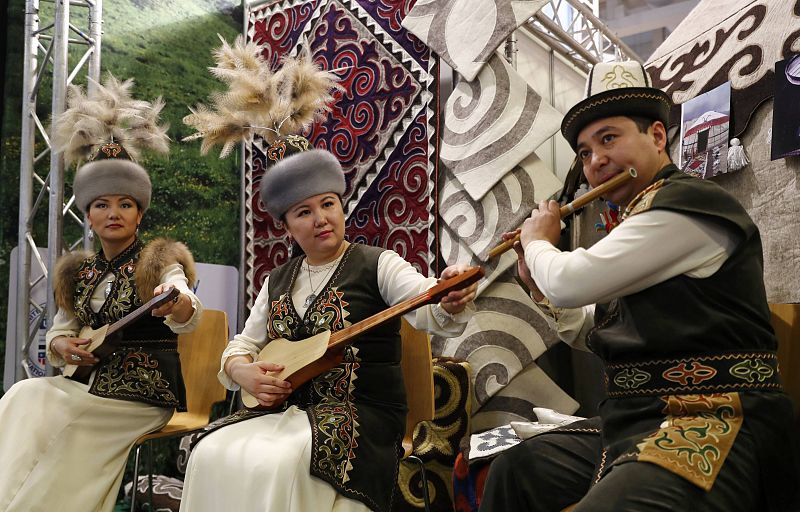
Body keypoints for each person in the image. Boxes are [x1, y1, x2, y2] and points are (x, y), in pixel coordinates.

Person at [479, 61, 799, 511]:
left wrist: (536, 242)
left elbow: (570, 283)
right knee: (518, 468)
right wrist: (538, 287)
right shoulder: (637, 222)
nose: (596, 162)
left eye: (608, 139)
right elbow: (603, 326)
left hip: (715, 415)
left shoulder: (688, 205)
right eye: (585, 153)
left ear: (656, 136)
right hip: (639, 419)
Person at [179, 135, 478, 512]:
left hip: (361, 414)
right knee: (209, 450)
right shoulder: (278, 280)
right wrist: (244, 373)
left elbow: (425, 301)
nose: (321, 218)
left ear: (341, 206)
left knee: (282, 460)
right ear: (287, 226)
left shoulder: (377, 264)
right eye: (304, 212)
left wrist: (448, 296)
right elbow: (242, 345)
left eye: (328, 204)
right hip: (284, 413)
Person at [0, 155, 203, 512]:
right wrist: (64, 343)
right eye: (102, 205)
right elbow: (61, 333)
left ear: (139, 215)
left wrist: (178, 302)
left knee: (66, 420)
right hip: (86, 385)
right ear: (89, 217)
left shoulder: (158, 258)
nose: (114, 213)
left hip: (142, 394)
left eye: (125, 204)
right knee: (23, 395)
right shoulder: (77, 272)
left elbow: (183, 297)